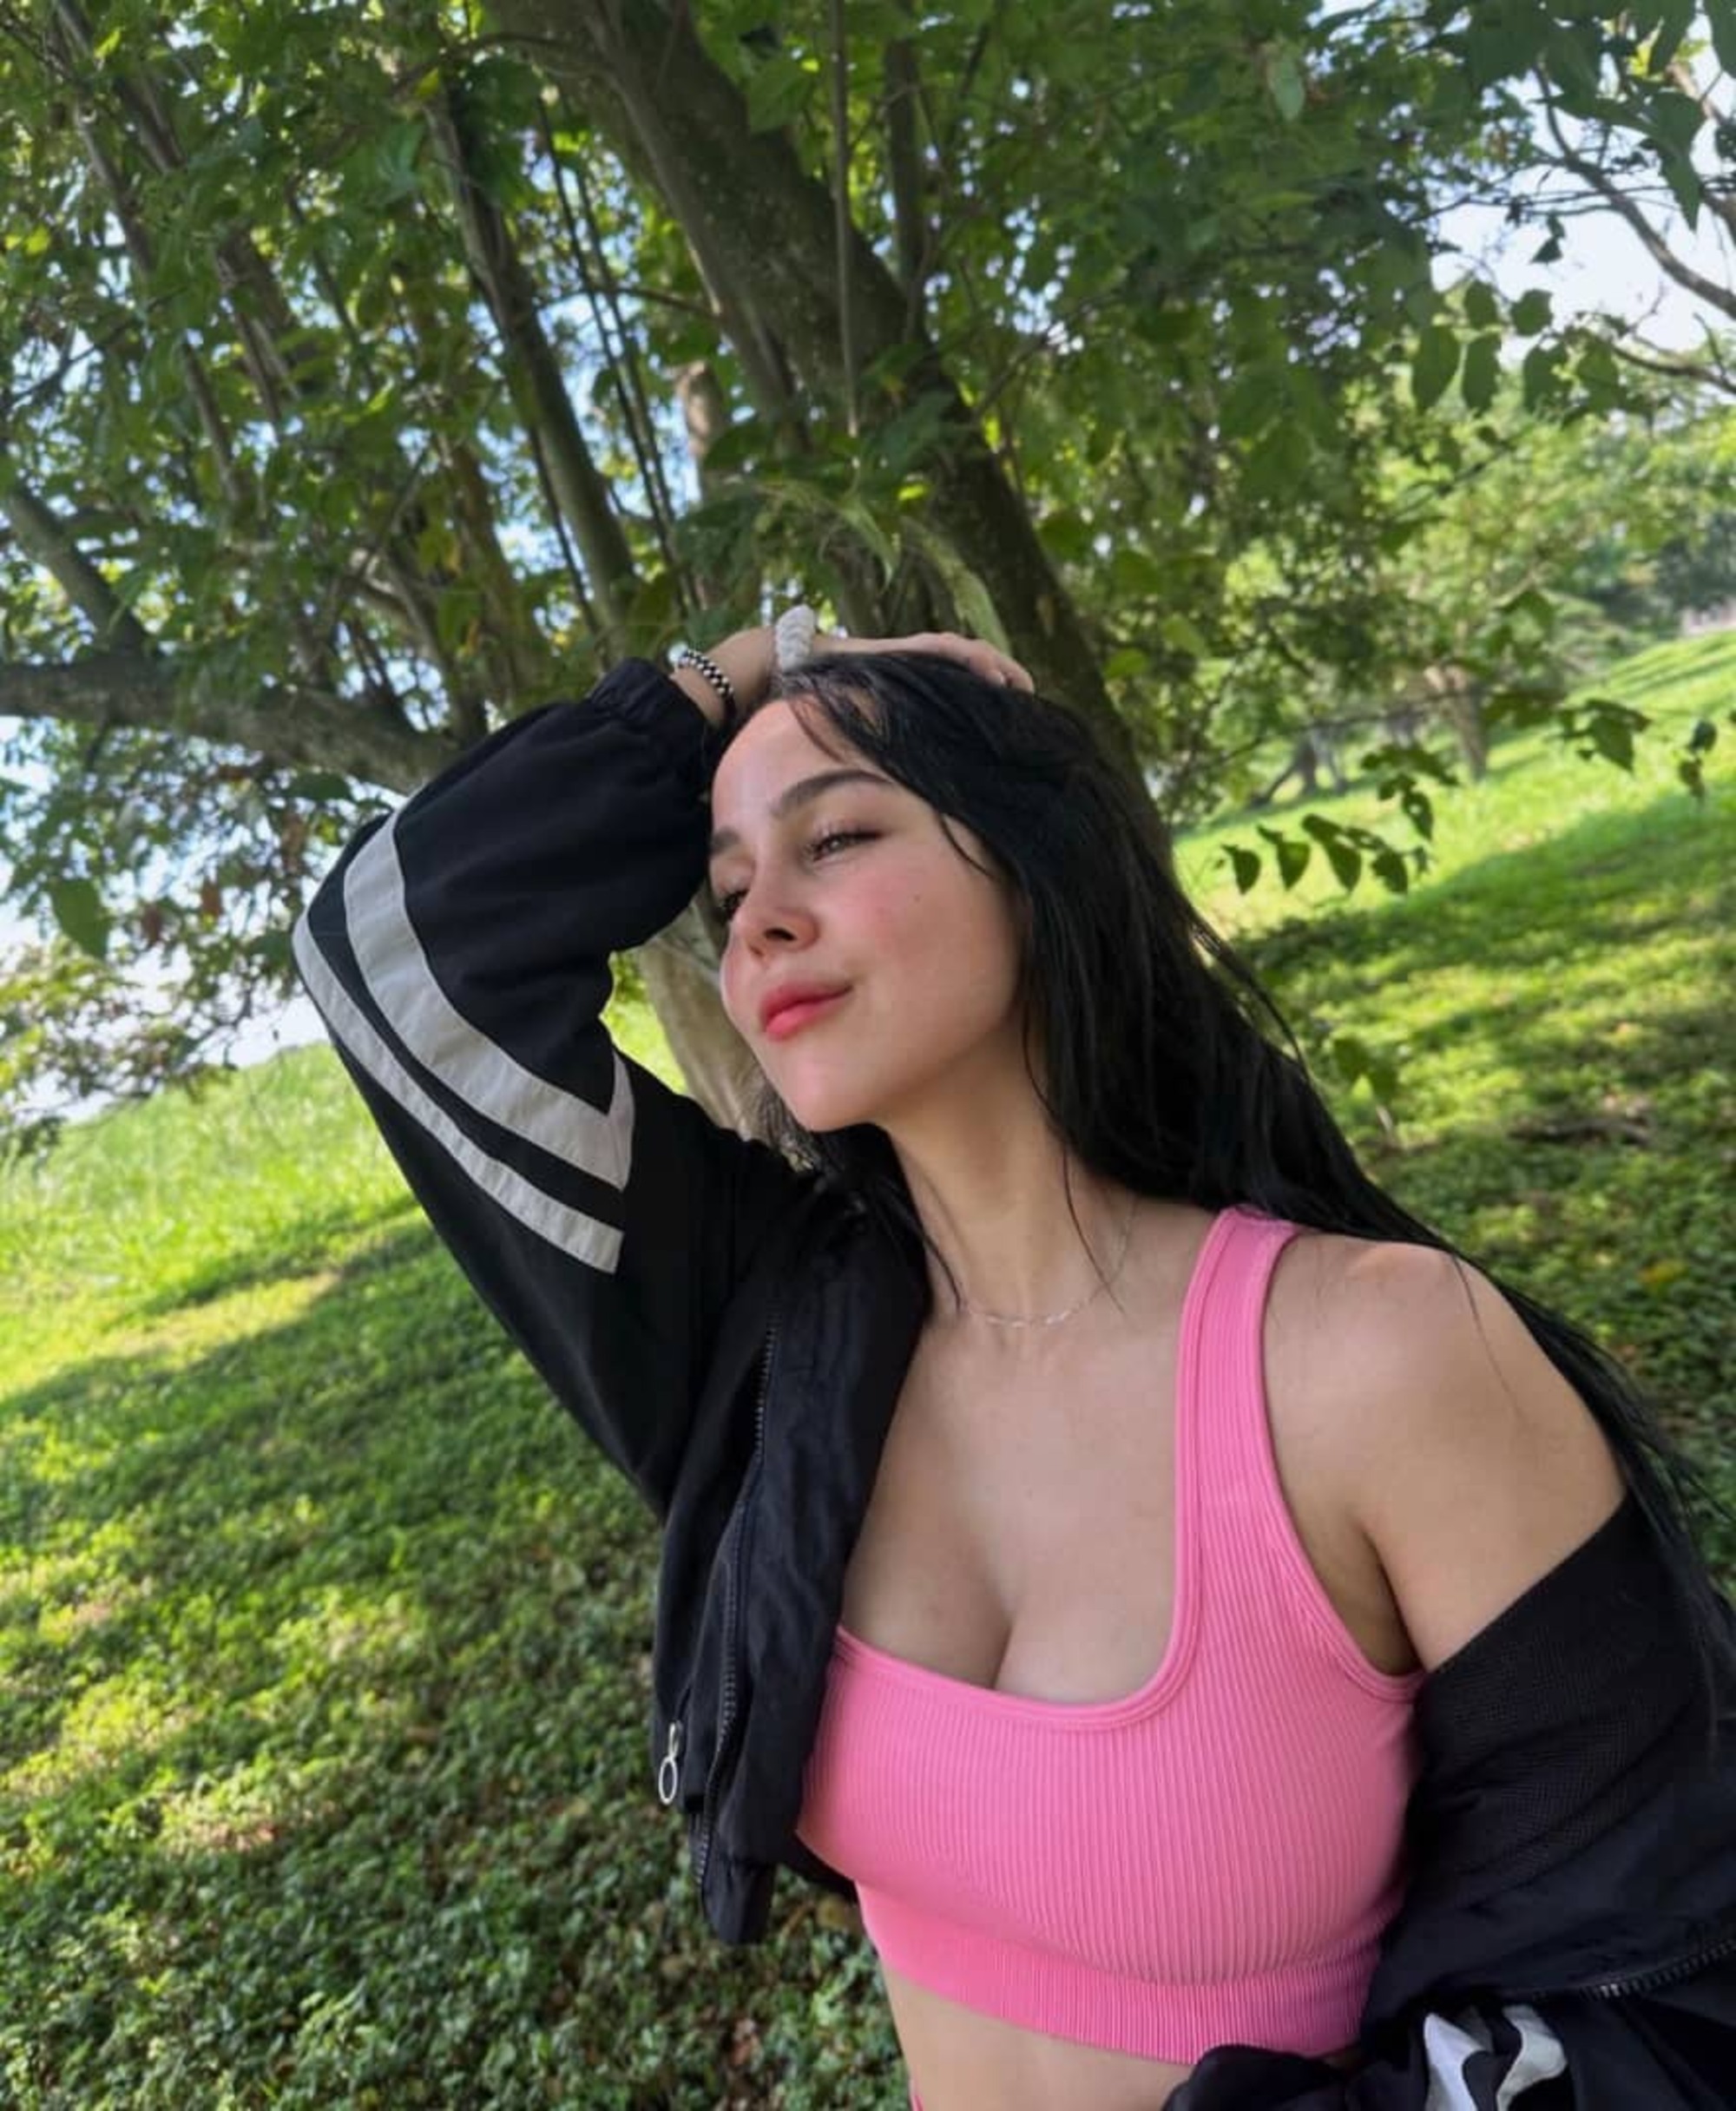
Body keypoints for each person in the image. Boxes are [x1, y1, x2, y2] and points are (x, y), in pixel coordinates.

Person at [294, 620, 1736, 2109]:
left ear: (1038, 863)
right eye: (726, 894)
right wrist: (751, 663)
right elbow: (399, 955)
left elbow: (1664, 1972)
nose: (760, 924)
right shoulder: (769, 1351)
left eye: (836, 839)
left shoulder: (1375, 1356)